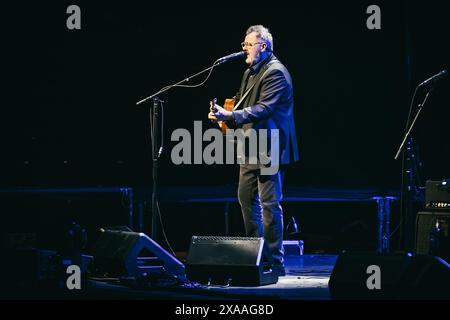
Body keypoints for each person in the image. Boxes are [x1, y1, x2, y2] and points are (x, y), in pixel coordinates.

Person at [208, 25, 299, 276]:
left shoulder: (277, 73)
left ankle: (275, 261)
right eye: (244, 44)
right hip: (250, 145)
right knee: (246, 199)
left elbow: (264, 108)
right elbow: (242, 99)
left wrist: (232, 114)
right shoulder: (251, 71)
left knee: (269, 204)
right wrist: (221, 115)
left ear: (264, 46)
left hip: (270, 146)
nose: (244, 48)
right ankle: (256, 254)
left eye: (248, 44)